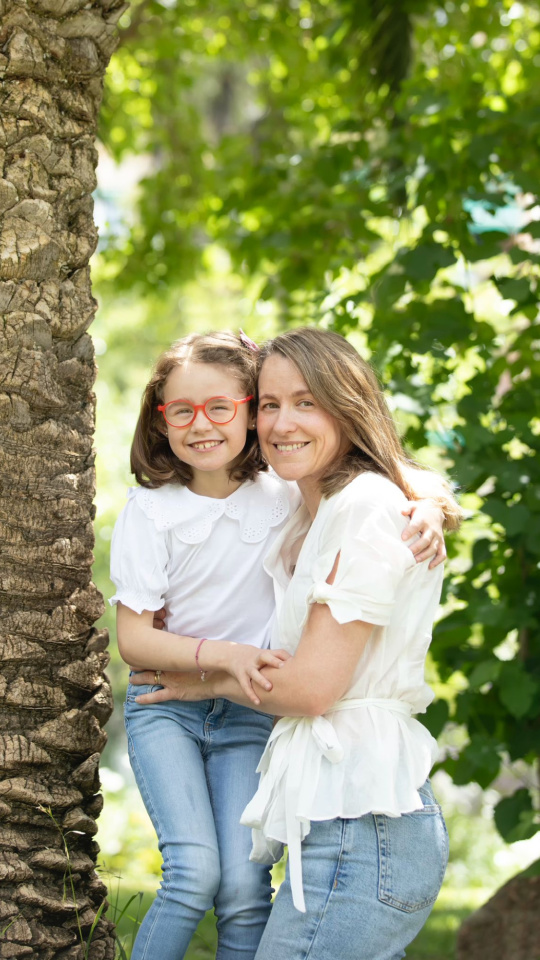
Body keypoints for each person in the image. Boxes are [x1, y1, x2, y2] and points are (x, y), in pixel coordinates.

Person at [131, 327, 462, 960]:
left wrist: (210, 676)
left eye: (306, 402)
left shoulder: (362, 507)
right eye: (271, 404)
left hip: (365, 833)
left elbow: (310, 689)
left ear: (347, 405)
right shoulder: (309, 511)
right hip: (345, 831)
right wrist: (428, 501)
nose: (283, 423)